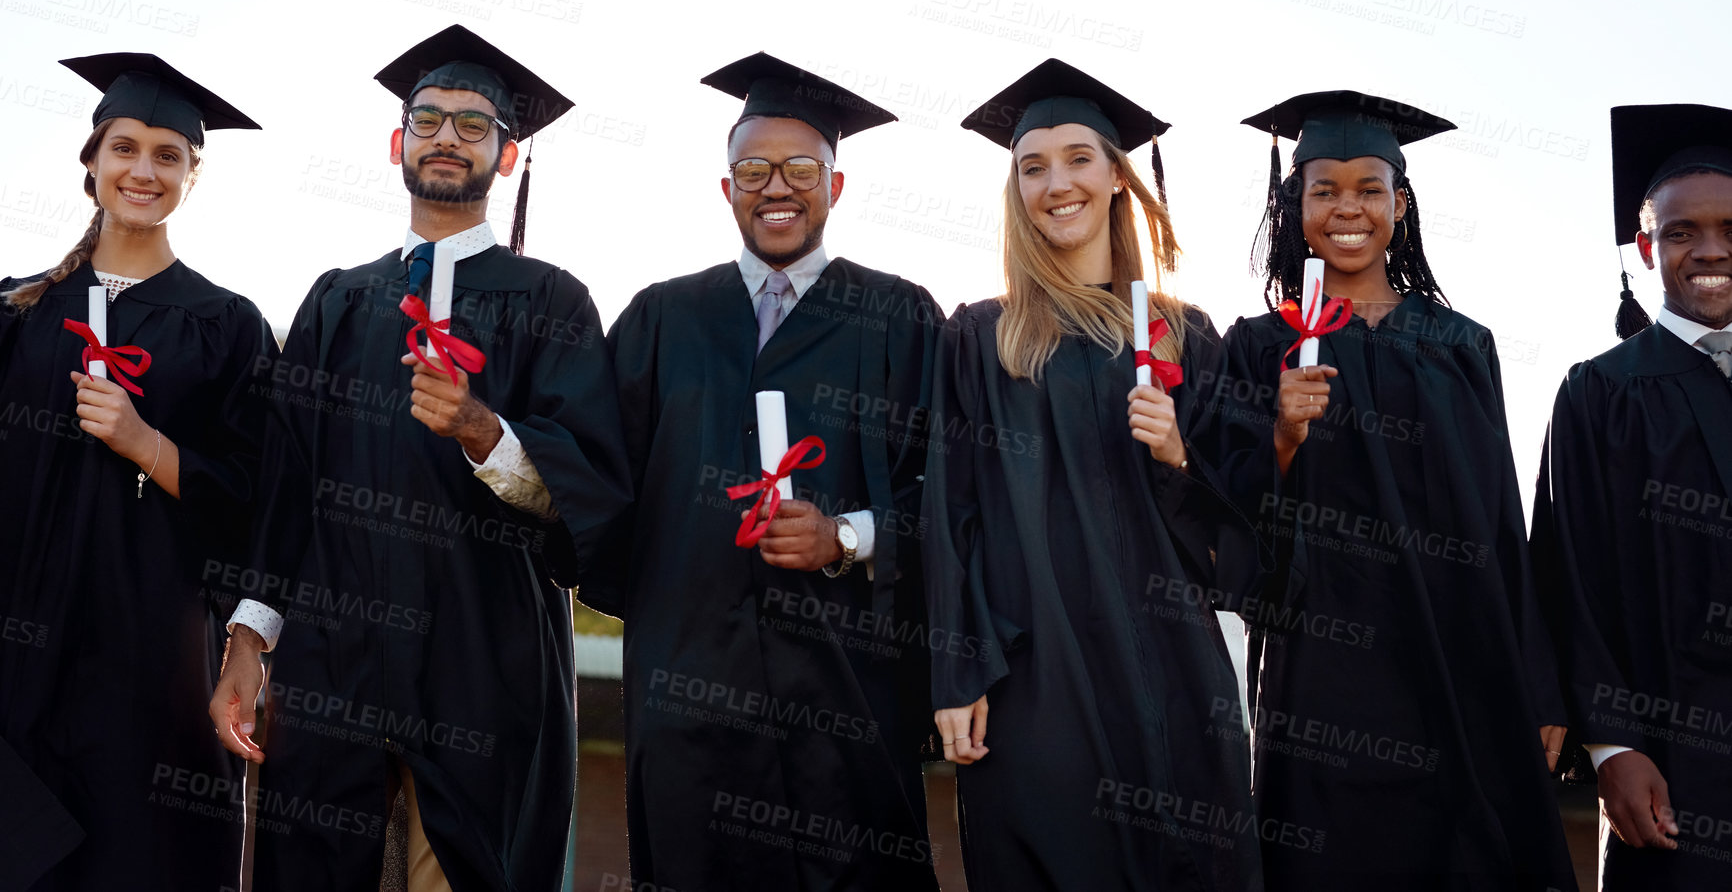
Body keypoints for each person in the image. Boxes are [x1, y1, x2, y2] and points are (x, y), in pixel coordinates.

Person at [207, 24, 632, 891]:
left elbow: (591, 486)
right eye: (429, 118)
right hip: (334, 657)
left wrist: (484, 430)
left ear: (507, 157)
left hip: (486, 659)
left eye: (475, 126)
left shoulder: (551, 300)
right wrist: (248, 640)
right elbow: (287, 484)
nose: (448, 137)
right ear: (398, 142)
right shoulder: (339, 300)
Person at [1193, 90, 1577, 891]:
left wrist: (1539, 683)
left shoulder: (1460, 345)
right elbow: (1223, 534)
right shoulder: (1260, 347)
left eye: (1370, 187)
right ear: (1292, 204)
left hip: (1460, 658)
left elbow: (1503, 523)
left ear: (1400, 205)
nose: (1348, 207)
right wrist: (1280, 438)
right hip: (1322, 678)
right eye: (1323, 187)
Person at [578, 53, 941, 890]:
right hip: (691, 706)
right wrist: (495, 435)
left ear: (836, 187)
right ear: (727, 188)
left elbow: (955, 499)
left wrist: (845, 536)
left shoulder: (900, 318)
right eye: (753, 168)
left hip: (848, 707)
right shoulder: (660, 319)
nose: (777, 186)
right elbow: (594, 489)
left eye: (801, 167)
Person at [923, 58, 1264, 891]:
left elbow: (1246, 541)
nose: (1056, 182)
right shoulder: (981, 339)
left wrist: (1180, 458)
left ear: (1117, 177)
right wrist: (959, 670)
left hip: (1176, 680)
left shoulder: (1186, 338)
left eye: (1079, 158)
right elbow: (948, 515)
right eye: (1032, 166)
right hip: (1037, 685)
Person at [0, 52, 274, 891]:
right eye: (124, 148)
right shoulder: (15, 313)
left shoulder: (228, 327)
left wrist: (148, 444)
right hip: (12, 660)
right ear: (91, 163)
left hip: (150, 663)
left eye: (168, 155)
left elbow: (267, 504)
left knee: (142, 858)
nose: (142, 170)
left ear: (195, 176)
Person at [1531, 104, 1732, 890]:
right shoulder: (1600, 393)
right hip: (1674, 769)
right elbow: (1565, 578)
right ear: (1646, 247)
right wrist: (1613, 746)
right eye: (1681, 232)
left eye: (1728, 227)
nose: (1710, 249)